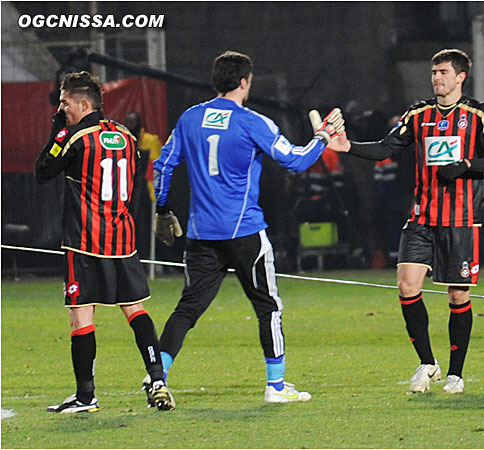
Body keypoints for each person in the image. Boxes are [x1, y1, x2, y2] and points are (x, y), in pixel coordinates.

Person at [151, 51, 345, 404]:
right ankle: (275, 385)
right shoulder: (253, 122)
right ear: (245, 82)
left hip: (201, 234)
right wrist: (323, 138)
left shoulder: (190, 119)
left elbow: (162, 167)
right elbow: (296, 161)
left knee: (188, 308)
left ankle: (157, 377)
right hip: (244, 233)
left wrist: (163, 211)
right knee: (267, 306)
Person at [325, 49, 484, 394]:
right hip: (422, 217)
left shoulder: (480, 114)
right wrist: (347, 146)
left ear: (460, 77)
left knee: (457, 296)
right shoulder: (418, 114)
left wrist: (467, 165)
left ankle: (456, 373)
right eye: (433, 72)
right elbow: (385, 148)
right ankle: (427, 362)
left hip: (460, 219)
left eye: (443, 72)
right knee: (407, 286)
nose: (436, 78)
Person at [35, 71, 174, 413]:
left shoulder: (74, 136)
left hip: (84, 241)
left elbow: (42, 170)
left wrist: (56, 131)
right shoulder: (126, 136)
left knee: (81, 317)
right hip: (122, 239)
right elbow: (135, 177)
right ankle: (157, 379)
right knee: (135, 309)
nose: (60, 107)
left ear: (84, 103)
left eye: (64, 102)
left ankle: (86, 397)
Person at [124, 110, 163, 260]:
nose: (130, 125)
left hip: (146, 191)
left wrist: (154, 191)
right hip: (128, 191)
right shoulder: (124, 139)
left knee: (148, 226)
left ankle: (153, 259)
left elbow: (155, 167)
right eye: (128, 122)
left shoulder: (149, 140)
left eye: (133, 122)